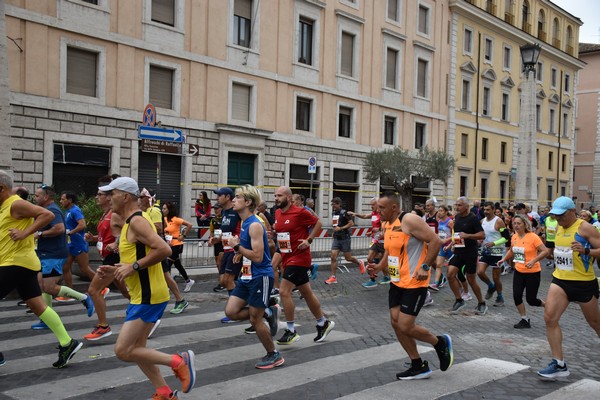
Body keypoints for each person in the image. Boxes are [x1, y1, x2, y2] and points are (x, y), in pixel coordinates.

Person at [96, 177, 196, 399]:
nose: (108, 198)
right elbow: (137, 256)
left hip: (149, 294)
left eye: (112, 193)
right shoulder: (129, 222)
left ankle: (179, 361)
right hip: (143, 293)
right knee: (139, 350)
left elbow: (164, 250)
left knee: (123, 350)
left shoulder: (137, 222)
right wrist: (116, 270)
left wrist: (133, 267)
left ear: (125, 196)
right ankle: (164, 392)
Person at [0, 170, 82, 368]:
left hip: (15, 263)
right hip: (24, 263)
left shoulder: (15, 203)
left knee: (40, 304)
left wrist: (25, 233)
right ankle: (67, 343)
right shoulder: (4, 207)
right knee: (39, 306)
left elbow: (46, 215)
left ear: (1, 188)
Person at [367, 193, 453, 380]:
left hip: (415, 282)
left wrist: (424, 267)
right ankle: (418, 364)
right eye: (377, 207)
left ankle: (439, 342)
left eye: (381, 207)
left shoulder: (409, 220)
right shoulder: (386, 224)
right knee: (396, 323)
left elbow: (436, 241)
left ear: (394, 208)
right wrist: (379, 266)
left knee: (405, 325)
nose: (377, 210)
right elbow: (390, 250)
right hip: (397, 281)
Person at [537, 197, 600, 380]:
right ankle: (559, 364)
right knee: (549, 318)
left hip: (583, 283)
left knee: (595, 324)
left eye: (561, 216)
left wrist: (586, 251)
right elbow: (556, 251)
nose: (558, 219)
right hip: (561, 280)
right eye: (555, 216)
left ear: (572, 211)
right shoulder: (557, 227)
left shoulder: (585, 227)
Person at [224, 185, 283, 369]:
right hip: (247, 276)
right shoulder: (245, 223)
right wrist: (240, 252)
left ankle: (274, 354)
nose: (233, 200)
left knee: (254, 320)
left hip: (260, 276)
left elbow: (258, 256)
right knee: (231, 312)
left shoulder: (256, 224)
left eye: (238, 197)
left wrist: (237, 248)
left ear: (248, 202)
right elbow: (250, 248)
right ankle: (267, 311)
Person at [273, 186, 335, 345]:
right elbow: (282, 232)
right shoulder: (278, 213)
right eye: (275, 195)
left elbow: (318, 223)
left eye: (279, 195)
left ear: (288, 197)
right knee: (306, 293)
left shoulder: (299, 212)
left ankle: (291, 330)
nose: (276, 198)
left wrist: (309, 240)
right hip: (287, 257)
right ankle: (323, 323)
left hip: (299, 258)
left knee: (284, 291)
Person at [32, 184, 94, 330]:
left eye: (37, 195)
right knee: (42, 284)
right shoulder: (52, 210)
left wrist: (39, 234)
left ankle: (84, 298)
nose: (35, 198)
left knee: (50, 286)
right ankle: (46, 319)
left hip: (54, 253)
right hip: (48, 252)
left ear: (46, 196)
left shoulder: (54, 210)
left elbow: (60, 229)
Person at [83, 183, 126, 340]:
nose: (96, 197)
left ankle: (103, 326)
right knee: (126, 291)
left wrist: (117, 243)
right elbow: (105, 236)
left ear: (109, 197)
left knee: (94, 291)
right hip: (108, 257)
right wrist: (93, 238)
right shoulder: (105, 214)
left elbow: (131, 229)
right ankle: (144, 312)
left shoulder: (114, 214)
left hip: (114, 258)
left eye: (100, 194)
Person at [497, 214, 548, 329]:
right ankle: (524, 319)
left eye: (519, 223)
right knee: (516, 295)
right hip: (519, 271)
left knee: (531, 300)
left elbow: (545, 251)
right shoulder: (514, 237)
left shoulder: (533, 237)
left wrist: (533, 261)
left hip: (533, 272)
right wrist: (503, 259)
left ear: (525, 224)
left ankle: (547, 306)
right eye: (514, 223)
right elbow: (512, 250)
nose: (516, 225)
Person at [447, 197, 487, 314]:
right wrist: (453, 240)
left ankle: (481, 303)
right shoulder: (457, 217)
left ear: (466, 206)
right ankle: (459, 300)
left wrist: (468, 235)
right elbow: (458, 233)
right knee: (450, 274)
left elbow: (482, 235)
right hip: (459, 251)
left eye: (459, 205)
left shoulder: (473, 219)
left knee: (471, 280)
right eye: (456, 205)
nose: (457, 207)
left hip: (470, 252)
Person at [211, 187, 242, 323]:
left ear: (228, 197)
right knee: (224, 281)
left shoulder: (237, 212)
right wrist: (216, 238)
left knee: (229, 280)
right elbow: (225, 231)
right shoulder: (224, 212)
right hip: (226, 249)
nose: (217, 198)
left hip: (235, 251)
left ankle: (234, 312)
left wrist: (240, 248)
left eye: (219, 195)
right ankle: (242, 296)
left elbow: (242, 229)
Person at [58, 191, 95, 299]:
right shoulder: (68, 211)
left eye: (63, 199)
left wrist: (71, 232)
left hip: (78, 244)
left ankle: (102, 287)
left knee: (85, 268)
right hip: (70, 244)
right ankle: (69, 294)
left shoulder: (75, 210)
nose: (61, 201)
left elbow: (82, 224)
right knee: (65, 268)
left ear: (70, 200)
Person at [348, 197, 390, 288]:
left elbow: (386, 226)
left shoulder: (382, 214)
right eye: (370, 205)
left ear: (378, 204)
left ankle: (387, 277)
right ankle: (372, 280)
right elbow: (364, 216)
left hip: (383, 241)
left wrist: (379, 230)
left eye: (373, 204)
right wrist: (355, 214)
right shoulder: (374, 213)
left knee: (382, 262)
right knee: (369, 259)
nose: (371, 206)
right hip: (375, 240)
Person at [325, 197, 365, 284]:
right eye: (332, 204)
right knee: (333, 256)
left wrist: (341, 228)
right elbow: (335, 224)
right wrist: (335, 229)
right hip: (336, 238)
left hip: (345, 238)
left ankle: (359, 262)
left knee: (348, 258)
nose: (333, 206)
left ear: (339, 204)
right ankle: (333, 277)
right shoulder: (334, 213)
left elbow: (351, 223)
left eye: (334, 204)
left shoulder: (345, 213)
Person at [477, 202, 510, 307]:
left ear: (493, 209)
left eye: (488, 210)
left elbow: (506, 238)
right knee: (480, 272)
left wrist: (494, 243)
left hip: (497, 252)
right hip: (485, 250)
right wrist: (479, 241)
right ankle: (491, 286)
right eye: (484, 209)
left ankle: (500, 297)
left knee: (496, 277)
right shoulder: (482, 221)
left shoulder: (499, 221)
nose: (485, 212)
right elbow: (481, 235)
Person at [162, 202, 195, 293]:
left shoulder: (175, 219)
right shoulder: (164, 219)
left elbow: (189, 225)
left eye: (165, 209)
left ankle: (167, 286)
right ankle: (188, 281)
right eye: (163, 208)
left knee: (167, 264)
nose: (163, 210)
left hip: (177, 244)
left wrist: (183, 235)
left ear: (169, 210)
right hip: (169, 244)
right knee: (177, 264)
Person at [430, 205, 452, 291]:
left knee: (452, 268)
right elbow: (440, 233)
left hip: (450, 246)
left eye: (441, 211)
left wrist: (448, 241)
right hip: (442, 245)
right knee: (438, 265)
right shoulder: (439, 221)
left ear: (446, 212)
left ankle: (459, 282)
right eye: (438, 211)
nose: (439, 212)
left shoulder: (450, 222)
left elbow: (455, 235)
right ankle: (436, 284)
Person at [208, 204, 225, 292]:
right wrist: (210, 239)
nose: (215, 210)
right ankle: (223, 279)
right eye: (214, 209)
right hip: (216, 243)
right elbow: (211, 231)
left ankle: (222, 282)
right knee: (218, 264)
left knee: (220, 262)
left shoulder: (225, 218)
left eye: (217, 208)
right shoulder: (213, 220)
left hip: (224, 243)